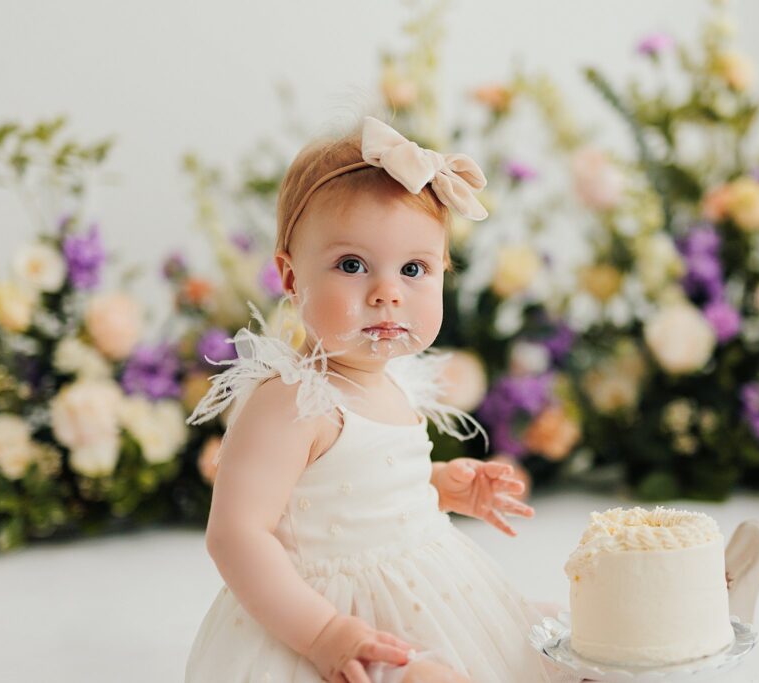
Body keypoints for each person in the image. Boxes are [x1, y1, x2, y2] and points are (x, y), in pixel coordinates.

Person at [184, 116, 578, 683]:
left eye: (414, 269)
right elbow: (235, 535)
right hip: (334, 623)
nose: (387, 292)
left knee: (547, 638)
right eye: (352, 265)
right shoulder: (293, 401)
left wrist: (439, 485)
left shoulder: (395, 380)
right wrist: (323, 635)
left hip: (425, 594)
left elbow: (363, 488)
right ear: (291, 279)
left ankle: (667, 629)